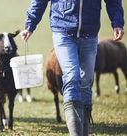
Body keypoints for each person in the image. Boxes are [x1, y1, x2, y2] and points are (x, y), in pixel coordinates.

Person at [21, 0, 124, 135]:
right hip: (63, 32)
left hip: (90, 33)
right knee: (72, 76)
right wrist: (30, 24)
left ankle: (83, 131)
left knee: (86, 82)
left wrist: (117, 22)